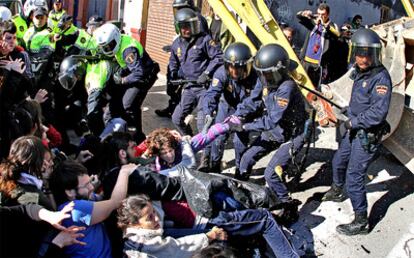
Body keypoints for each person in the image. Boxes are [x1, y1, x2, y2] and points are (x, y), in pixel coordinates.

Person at [322, 28, 392, 235]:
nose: (362, 59)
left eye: (366, 55)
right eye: (359, 54)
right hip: (353, 130)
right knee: (338, 162)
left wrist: (353, 122)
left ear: (374, 55)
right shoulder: (359, 72)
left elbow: (377, 114)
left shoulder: (380, 79)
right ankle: (336, 191)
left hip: (366, 135)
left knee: (354, 176)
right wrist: (348, 112)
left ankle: (361, 221)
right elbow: (360, 102)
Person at [232, 43, 308, 220]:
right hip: (276, 130)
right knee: (246, 159)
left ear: (279, 71)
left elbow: (272, 119)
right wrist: (237, 116)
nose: (264, 78)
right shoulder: (265, 78)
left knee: (271, 174)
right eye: (262, 73)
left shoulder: (286, 87)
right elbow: (253, 100)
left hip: (293, 133)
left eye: (268, 74)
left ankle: (287, 205)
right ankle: (239, 190)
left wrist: (244, 126)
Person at [118, 194, 300, 258]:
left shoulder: (139, 234)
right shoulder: (141, 242)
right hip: (204, 222)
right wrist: (208, 236)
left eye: (154, 212)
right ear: (134, 223)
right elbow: (173, 249)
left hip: (201, 223)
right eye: (149, 217)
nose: (156, 218)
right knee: (265, 218)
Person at [49, 159, 137, 257]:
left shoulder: (79, 200)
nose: (91, 187)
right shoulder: (74, 209)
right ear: (69, 192)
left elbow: (101, 199)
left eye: (90, 182)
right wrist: (124, 172)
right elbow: (116, 202)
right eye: (86, 185)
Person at [94, 23, 160, 143]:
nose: (107, 49)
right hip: (131, 72)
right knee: (114, 101)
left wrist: (123, 80)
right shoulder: (118, 43)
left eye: (109, 46)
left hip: (144, 76)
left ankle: (137, 138)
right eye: (105, 47)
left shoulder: (128, 50)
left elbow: (139, 72)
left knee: (129, 105)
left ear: (116, 39)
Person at [200, 42, 257, 172]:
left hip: (245, 112)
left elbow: (256, 101)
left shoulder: (255, 77)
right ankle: (215, 167)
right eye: (231, 67)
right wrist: (208, 112)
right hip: (226, 107)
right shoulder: (221, 73)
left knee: (240, 142)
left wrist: (239, 115)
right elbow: (211, 94)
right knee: (218, 139)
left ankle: (240, 170)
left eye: (239, 67)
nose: (234, 71)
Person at [169, 8, 223, 135]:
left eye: (190, 26)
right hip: (189, 86)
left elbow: (219, 56)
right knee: (176, 118)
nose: (188, 30)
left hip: (205, 88)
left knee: (202, 124)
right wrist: (173, 73)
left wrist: (206, 73)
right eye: (184, 27)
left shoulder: (204, 39)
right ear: (178, 28)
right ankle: (190, 140)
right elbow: (173, 61)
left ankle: (206, 150)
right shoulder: (176, 44)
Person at [154, 0, 209, 118]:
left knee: (184, 88)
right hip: (181, 58)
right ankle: (172, 108)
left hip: (192, 61)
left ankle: (181, 111)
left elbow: (199, 43)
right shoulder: (182, 17)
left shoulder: (197, 19)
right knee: (172, 83)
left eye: (180, 8)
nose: (178, 11)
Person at [297, 3, 340, 87]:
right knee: (301, 84)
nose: (320, 16)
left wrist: (324, 25)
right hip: (306, 61)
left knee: (314, 86)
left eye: (323, 14)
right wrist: (304, 13)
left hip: (319, 64)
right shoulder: (314, 22)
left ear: (328, 14)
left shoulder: (332, 26)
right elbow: (299, 17)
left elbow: (337, 35)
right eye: (319, 13)